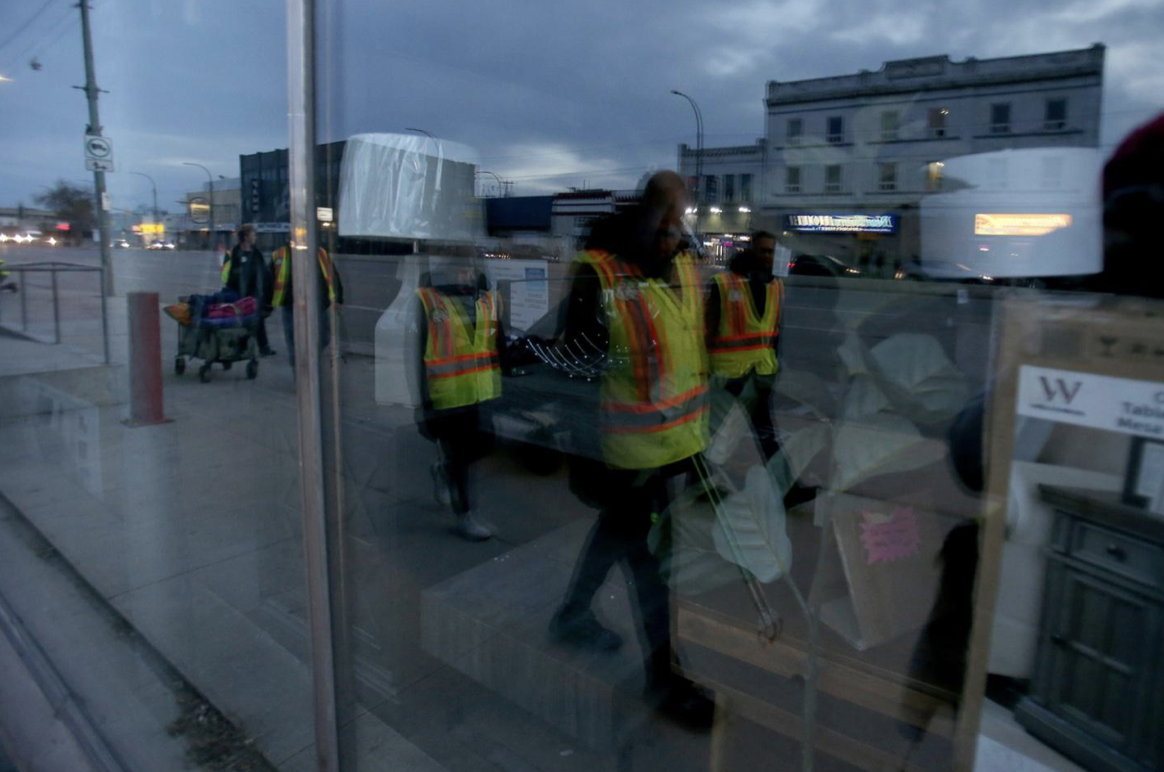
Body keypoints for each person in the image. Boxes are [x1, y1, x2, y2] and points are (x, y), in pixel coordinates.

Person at [549, 171, 714, 727]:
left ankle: (571, 614)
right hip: (623, 458)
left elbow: (689, 359)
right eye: (665, 221)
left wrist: (698, 452)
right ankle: (665, 682)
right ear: (644, 216)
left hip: (675, 447)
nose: (674, 233)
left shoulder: (687, 270)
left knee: (618, 538)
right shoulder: (599, 273)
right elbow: (573, 373)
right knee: (652, 565)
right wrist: (583, 460)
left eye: (681, 221)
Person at [409, 259, 508, 542]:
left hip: (482, 393)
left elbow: (498, 344)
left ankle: (443, 469)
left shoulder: (488, 299)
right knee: (463, 458)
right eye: (458, 268)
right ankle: (465, 515)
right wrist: (422, 402)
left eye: (469, 267)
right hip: (447, 396)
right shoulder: (428, 300)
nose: (464, 273)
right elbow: (417, 356)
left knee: (482, 449)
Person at [704, 231, 784, 461]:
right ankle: (698, 485)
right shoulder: (724, 284)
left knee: (766, 434)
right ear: (752, 251)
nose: (768, 256)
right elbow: (707, 331)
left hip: (760, 375)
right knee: (714, 434)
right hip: (729, 376)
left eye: (772, 251)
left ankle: (788, 489)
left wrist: (776, 368)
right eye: (763, 250)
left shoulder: (776, 286)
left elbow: (776, 333)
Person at [269, 244, 344, 375]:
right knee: (293, 341)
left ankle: (309, 358)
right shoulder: (280, 254)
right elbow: (269, 278)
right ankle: (299, 373)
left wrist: (338, 298)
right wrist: (266, 304)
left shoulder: (320, 253)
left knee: (324, 336)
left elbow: (333, 275)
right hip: (291, 305)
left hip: (317, 304)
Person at [222, 224, 275, 356]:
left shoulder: (256, 253)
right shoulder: (236, 252)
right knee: (243, 320)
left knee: (258, 319)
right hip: (241, 292)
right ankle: (242, 346)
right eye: (253, 235)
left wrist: (266, 292)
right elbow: (232, 273)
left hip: (255, 293)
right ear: (245, 237)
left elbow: (263, 273)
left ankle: (263, 347)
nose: (255, 237)